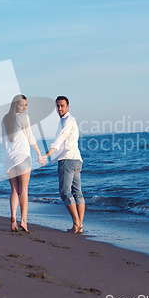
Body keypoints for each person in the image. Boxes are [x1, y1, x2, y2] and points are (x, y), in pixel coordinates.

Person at [39, 96, 84, 234]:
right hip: (76, 159)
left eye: (62, 106)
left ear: (68, 106)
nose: (59, 108)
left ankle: (77, 224)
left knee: (65, 193)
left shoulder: (68, 122)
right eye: (57, 106)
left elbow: (58, 142)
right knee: (77, 193)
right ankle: (79, 226)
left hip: (68, 160)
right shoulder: (66, 120)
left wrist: (45, 156)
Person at [2, 94, 42, 233]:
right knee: (23, 190)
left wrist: (10, 152)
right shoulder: (24, 118)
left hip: (9, 159)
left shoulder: (5, 119)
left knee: (14, 190)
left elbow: (4, 142)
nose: (25, 108)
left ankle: (13, 219)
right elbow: (30, 138)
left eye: (26, 105)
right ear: (15, 105)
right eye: (22, 105)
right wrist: (39, 154)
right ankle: (23, 221)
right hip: (23, 157)